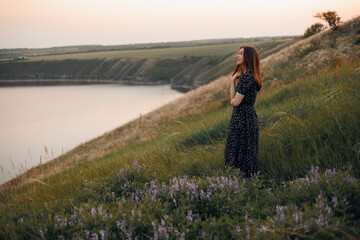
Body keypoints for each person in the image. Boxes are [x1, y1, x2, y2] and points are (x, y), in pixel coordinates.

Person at [224, 45, 262, 177]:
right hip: (245, 119)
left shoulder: (247, 78)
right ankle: (244, 185)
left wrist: (232, 81)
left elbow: (235, 102)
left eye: (241, 53)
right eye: (238, 53)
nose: (237, 55)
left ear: (248, 57)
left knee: (238, 154)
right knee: (244, 154)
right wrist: (233, 81)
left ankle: (241, 186)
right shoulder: (248, 76)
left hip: (243, 121)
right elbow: (234, 100)